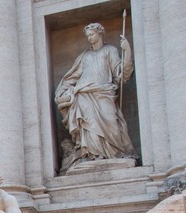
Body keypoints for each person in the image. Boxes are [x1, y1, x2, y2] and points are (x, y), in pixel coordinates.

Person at [55, 22, 136, 170]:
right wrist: (63, 92)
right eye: (88, 36)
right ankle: (93, 155)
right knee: (89, 124)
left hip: (104, 92)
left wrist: (128, 51)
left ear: (100, 34)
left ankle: (115, 152)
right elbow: (72, 77)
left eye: (92, 34)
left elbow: (121, 75)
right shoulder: (84, 56)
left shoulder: (110, 51)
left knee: (112, 123)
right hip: (84, 95)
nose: (90, 38)